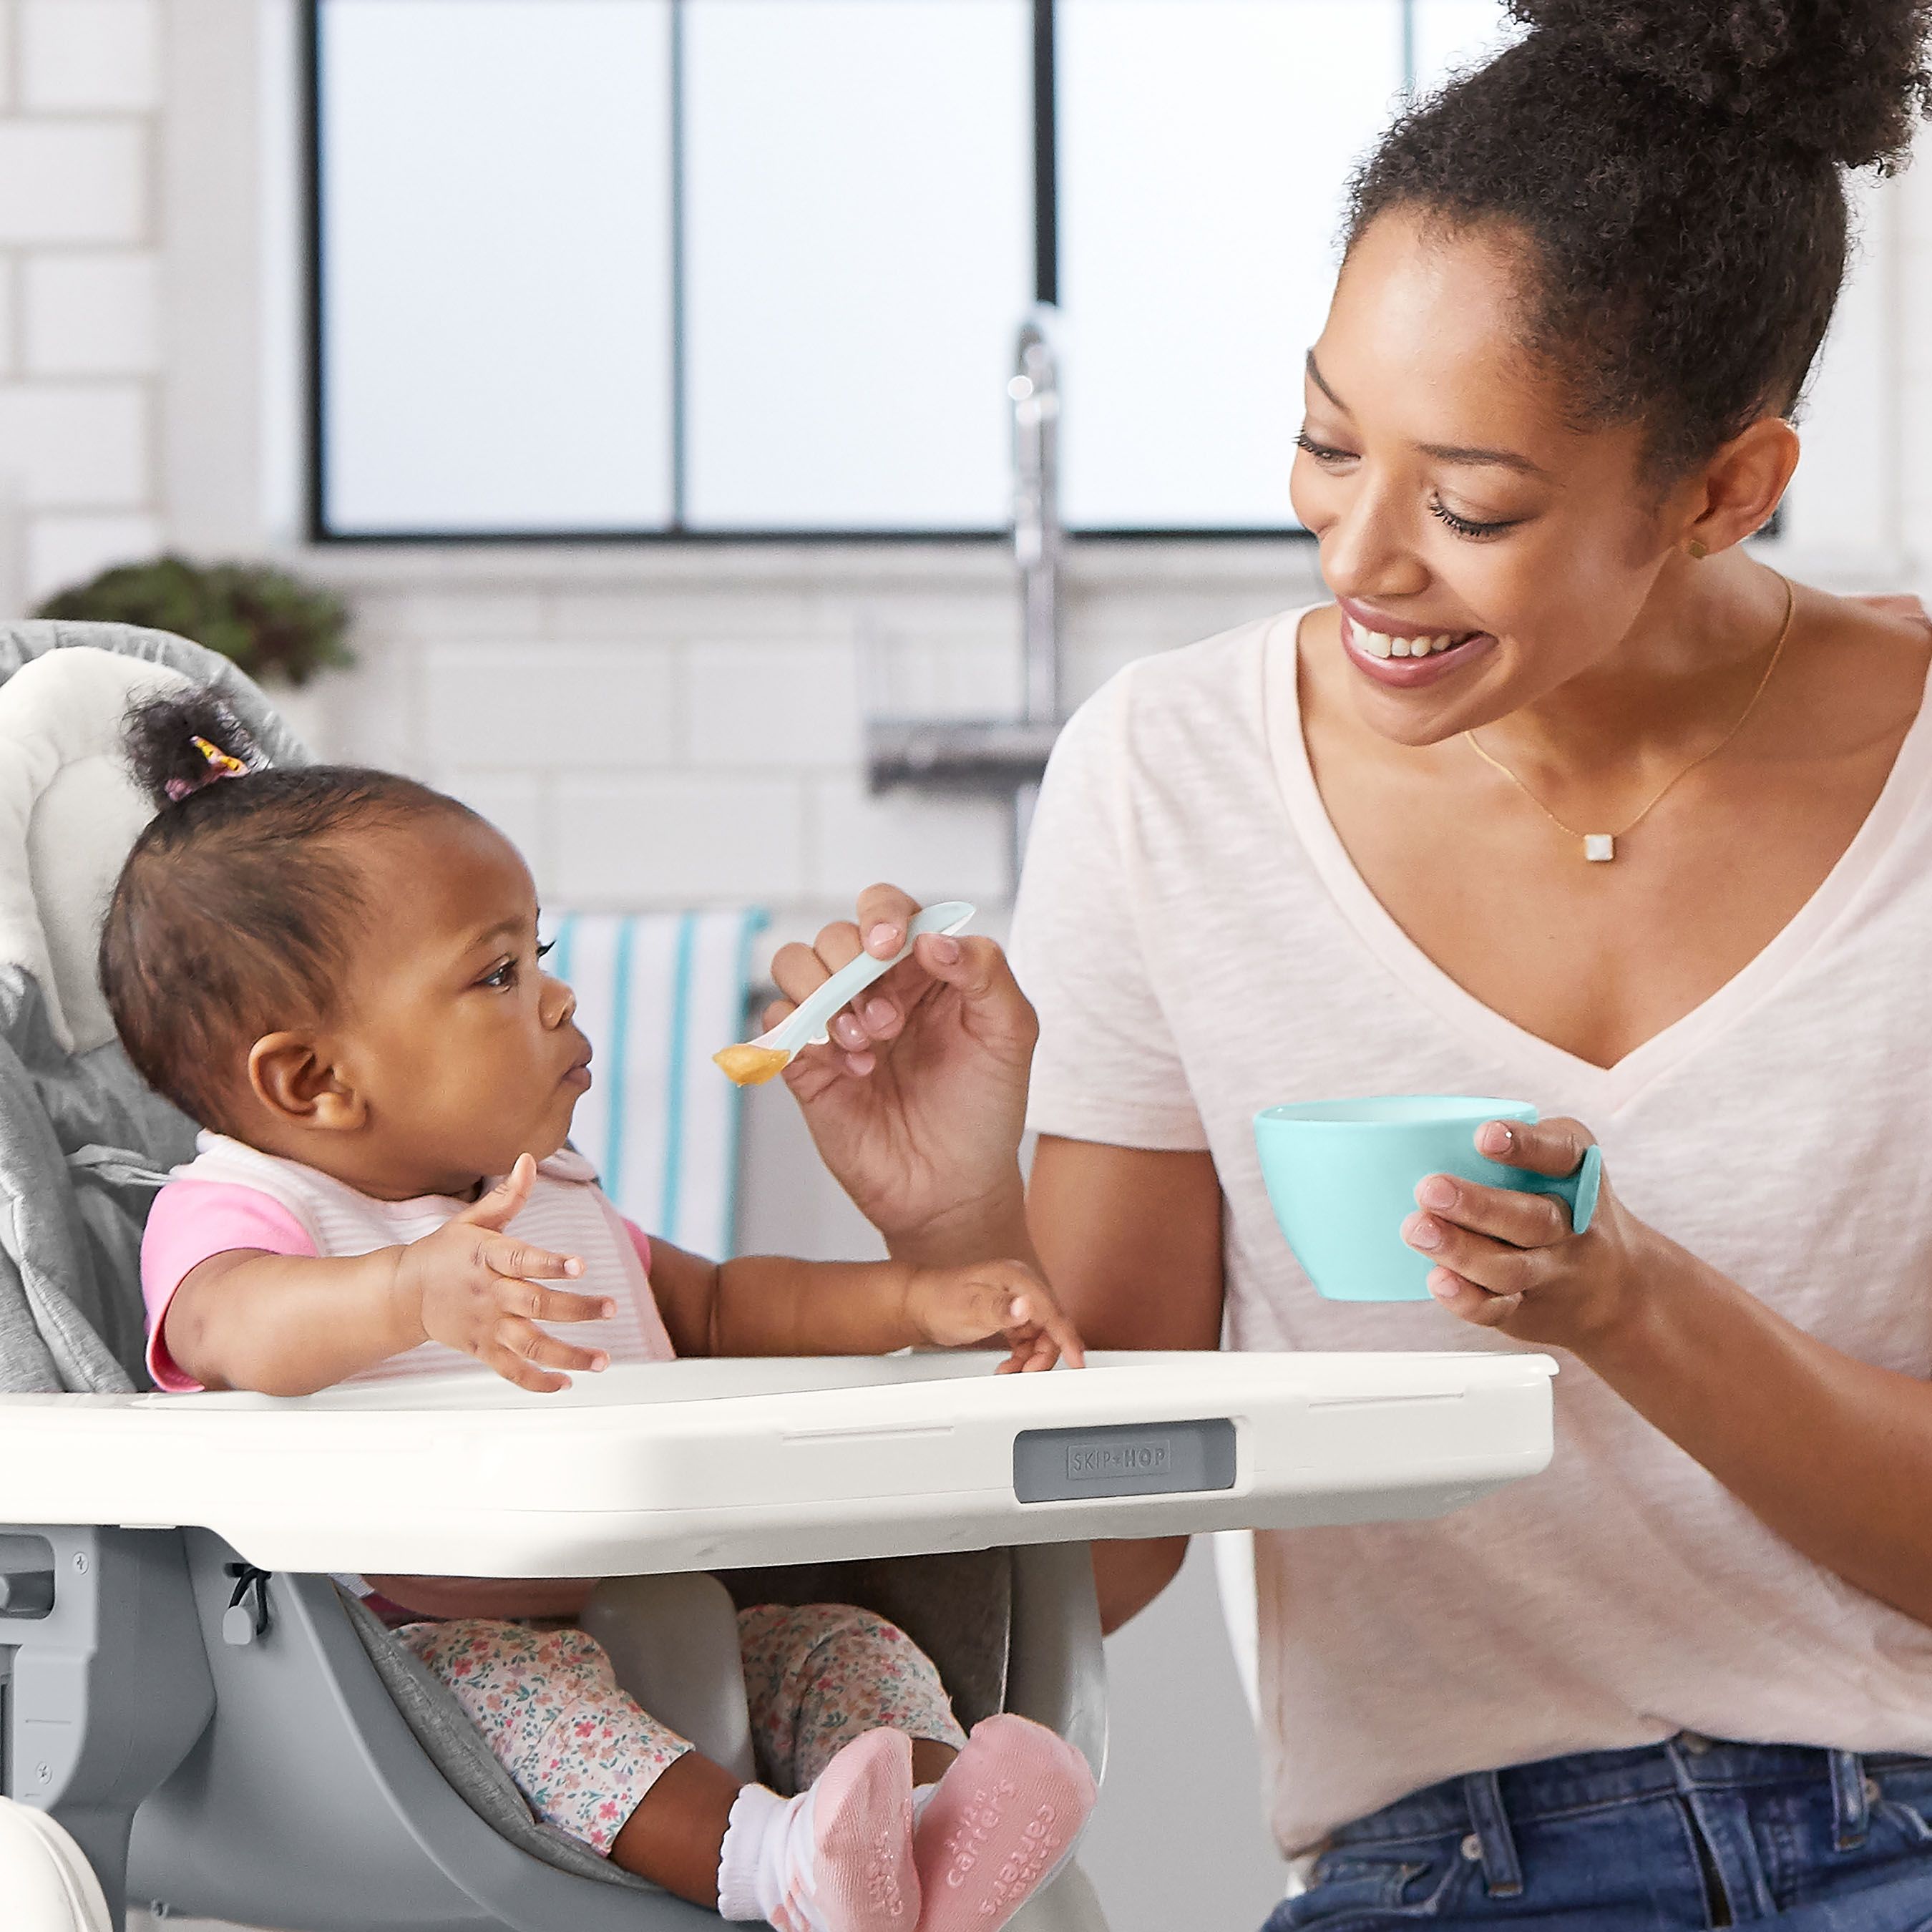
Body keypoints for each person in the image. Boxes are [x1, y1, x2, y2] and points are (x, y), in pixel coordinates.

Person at [760, 3, 1932, 1925]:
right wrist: (952, 1232)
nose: (1357, 554)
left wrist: (1631, 1308)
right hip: (1454, 1866)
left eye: (1470, 505)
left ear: (1724, 488)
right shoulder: (1170, 781)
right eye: (1322, 443)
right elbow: (1107, 1553)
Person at [99, 691, 1096, 1932]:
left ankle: (939, 1841)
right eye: (499, 974)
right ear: (314, 1079)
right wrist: (410, 1292)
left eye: (544, 959)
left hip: (650, 1605)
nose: (559, 1004)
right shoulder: (251, 1212)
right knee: (538, 1701)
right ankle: (777, 1865)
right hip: (410, 1658)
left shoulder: (543, 1197)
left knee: (847, 1646)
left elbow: (723, 1305)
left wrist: (915, 1297)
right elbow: (226, 1328)